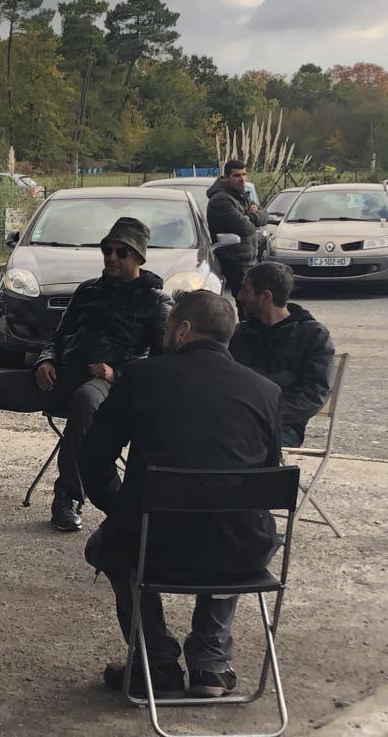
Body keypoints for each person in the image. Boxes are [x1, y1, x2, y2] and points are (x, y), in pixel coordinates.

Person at [79, 290, 282, 699]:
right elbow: (268, 475)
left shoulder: (141, 376)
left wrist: (119, 506)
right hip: (242, 552)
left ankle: (155, 665)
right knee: (232, 524)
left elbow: (93, 455)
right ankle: (210, 665)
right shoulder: (266, 391)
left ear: (184, 330)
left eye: (169, 325)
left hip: (156, 544)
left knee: (107, 545)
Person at [0, 218, 172, 530]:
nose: (111, 257)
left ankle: (69, 496)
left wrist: (117, 372)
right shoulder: (87, 291)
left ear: (139, 257)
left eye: (121, 252)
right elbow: (57, 338)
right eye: (107, 250)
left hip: (106, 385)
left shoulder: (155, 301)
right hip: (62, 375)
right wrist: (44, 361)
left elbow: (160, 361)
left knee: (85, 400)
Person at [231, 262, 335, 447]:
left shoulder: (313, 335)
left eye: (245, 290)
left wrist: (262, 412)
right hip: (238, 422)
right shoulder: (240, 333)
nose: (239, 296)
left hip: (281, 427)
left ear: (265, 297)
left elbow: (313, 395)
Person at [206, 159, 268, 297]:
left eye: (244, 174)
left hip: (249, 258)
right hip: (235, 260)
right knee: (246, 301)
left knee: (255, 302)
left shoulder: (241, 196)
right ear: (226, 178)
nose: (242, 179)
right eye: (236, 175)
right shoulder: (221, 200)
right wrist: (252, 215)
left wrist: (250, 215)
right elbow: (245, 228)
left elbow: (265, 215)